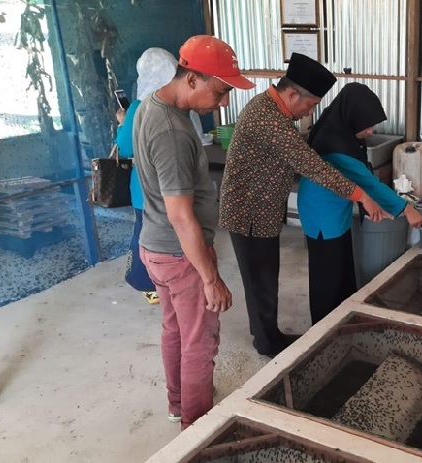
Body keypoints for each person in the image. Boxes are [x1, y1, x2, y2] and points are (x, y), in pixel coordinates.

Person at [219, 53, 391, 357]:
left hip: (263, 211)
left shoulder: (273, 109)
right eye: (309, 105)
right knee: (260, 280)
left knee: (264, 279)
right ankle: (268, 344)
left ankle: (266, 335)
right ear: (292, 93)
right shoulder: (270, 120)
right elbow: (313, 166)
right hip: (249, 213)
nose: (308, 113)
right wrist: (361, 195)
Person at [133, 35, 253, 430]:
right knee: (199, 342)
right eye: (219, 92)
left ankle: (177, 403)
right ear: (191, 79)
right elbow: (182, 216)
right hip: (179, 253)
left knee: (174, 327)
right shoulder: (172, 132)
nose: (221, 104)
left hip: (154, 247)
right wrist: (211, 277)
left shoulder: (150, 105)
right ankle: (196, 429)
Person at [299, 83, 422, 324]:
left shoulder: (336, 130)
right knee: (327, 277)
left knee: (342, 269)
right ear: (352, 116)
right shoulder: (335, 147)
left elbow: (362, 181)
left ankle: (344, 318)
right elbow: (368, 183)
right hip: (322, 215)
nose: (371, 131)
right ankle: (321, 330)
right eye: (367, 124)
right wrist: (408, 209)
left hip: (332, 210)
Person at [115, 47, 180, 305]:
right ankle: (172, 278)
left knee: (145, 234)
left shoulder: (138, 107)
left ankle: (148, 283)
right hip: (174, 185)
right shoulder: (175, 102)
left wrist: (122, 122)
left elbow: (124, 147)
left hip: (144, 188)